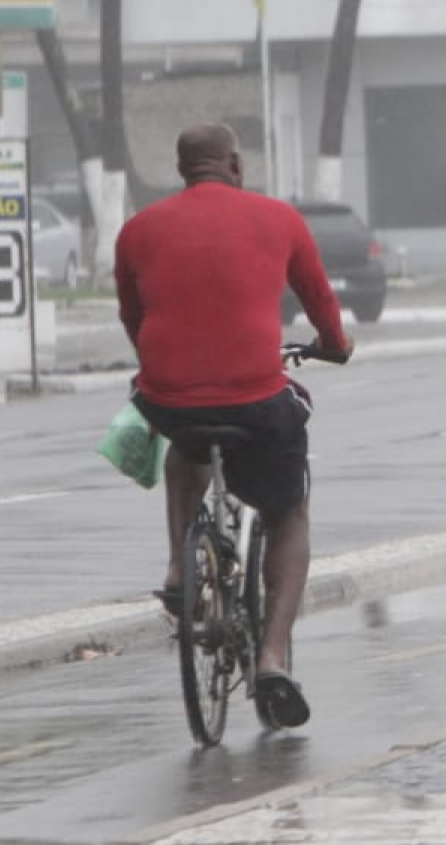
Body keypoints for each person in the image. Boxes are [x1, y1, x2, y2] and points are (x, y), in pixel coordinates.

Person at [114, 123, 353, 729]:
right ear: (236, 164)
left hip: (169, 397)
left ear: (182, 169)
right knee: (288, 511)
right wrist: (334, 347)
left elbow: (134, 318)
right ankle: (272, 658)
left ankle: (178, 566)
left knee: (182, 449)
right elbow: (321, 305)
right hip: (255, 398)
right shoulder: (279, 220)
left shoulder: (138, 231)